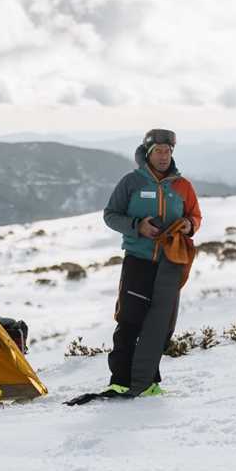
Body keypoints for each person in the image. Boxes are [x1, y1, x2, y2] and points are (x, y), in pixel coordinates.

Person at [100, 128, 202, 398]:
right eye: (158, 151)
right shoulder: (131, 182)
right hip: (139, 262)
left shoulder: (183, 186)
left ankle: (148, 381)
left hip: (170, 264)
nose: (164, 156)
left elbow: (196, 216)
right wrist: (137, 226)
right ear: (147, 153)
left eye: (168, 151)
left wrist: (189, 225)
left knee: (160, 326)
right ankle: (120, 380)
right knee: (130, 320)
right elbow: (110, 215)